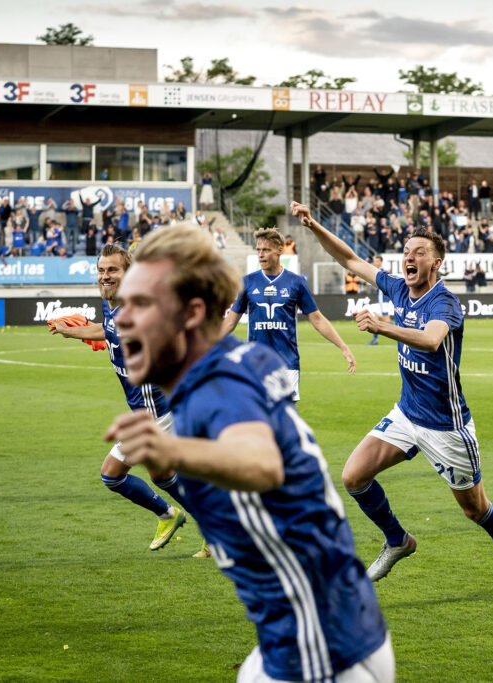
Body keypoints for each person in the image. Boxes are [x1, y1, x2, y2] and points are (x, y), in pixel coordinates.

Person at [104, 226, 394, 682]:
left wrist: (169, 448)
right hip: (327, 619)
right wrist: (161, 458)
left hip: (318, 637)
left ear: (192, 313)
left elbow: (263, 465)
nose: (121, 319)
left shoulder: (222, 385)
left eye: (141, 305)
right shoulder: (231, 370)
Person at [289, 201, 493, 600]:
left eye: (419, 252)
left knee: (475, 509)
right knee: (353, 476)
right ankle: (398, 540)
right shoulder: (399, 287)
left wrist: (384, 327)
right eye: (406, 251)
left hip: (446, 426)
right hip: (407, 414)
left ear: (436, 264)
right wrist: (314, 225)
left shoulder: (444, 303)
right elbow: (351, 259)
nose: (409, 257)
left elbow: (432, 338)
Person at [48, 244, 191, 552]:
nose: (105, 275)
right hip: (144, 407)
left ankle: (173, 514)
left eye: (112, 270)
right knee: (161, 474)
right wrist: (70, 331)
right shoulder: (112, 304)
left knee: (111, 475)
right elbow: (107, 329)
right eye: (101, 270)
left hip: (154, 412)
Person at [222, 228, 355, 401]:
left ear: (279, 250)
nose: (261, 255)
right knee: (256, 421)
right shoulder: (248, 282)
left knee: (284, 422)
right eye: (258, 250)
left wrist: (343, 346)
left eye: (266, 250)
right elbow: (230, 322)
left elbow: (317, 319)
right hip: (255, 363)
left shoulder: (296, 282)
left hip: (287, 364)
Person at [367, 254, 394, 346]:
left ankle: (405, 334)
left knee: (386, 320)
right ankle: (375, 340)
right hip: (381, 300)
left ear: (380, 262)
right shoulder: (379, 271)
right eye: (374, 261)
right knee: (376, 318)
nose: (374, 262)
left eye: (376, 261)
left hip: (383, 299)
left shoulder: (381, 272)